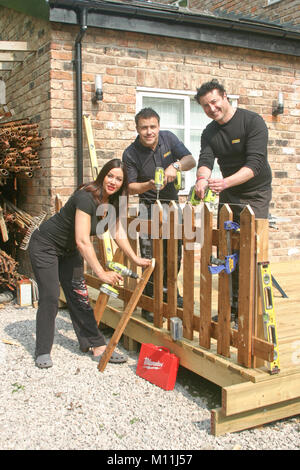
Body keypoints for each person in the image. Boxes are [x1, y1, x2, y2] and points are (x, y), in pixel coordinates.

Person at [29, 158, 151, 368]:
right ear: (103, 175)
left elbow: (118, 231)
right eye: (110, 176)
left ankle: (96, 345)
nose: (113, 181)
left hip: (68, 251)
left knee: (79, 296)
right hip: (45, 246)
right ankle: (42, 351)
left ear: (123, 183)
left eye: (118, 179)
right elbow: (83, 241)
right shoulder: (87, 196)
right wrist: (101, 273)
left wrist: (135, 258)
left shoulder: (114, 201)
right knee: (49, 296)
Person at [194, 79, 272, 323]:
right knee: (228, 250)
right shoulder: (209, 132)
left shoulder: (252, 122)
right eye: (206, 106)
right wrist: (201, 180)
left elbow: (255, 165)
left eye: (214, 102)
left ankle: (250, 312)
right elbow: (205, 160)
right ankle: (232, 310)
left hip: (255, 193)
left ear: (225, 97)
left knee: (250, 251)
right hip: (229, 196)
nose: (211, 109)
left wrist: (225, 182)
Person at [122, 107, 196, 321]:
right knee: (150, 255)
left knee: (174, 252)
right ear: (137, 129)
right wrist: (149, 184)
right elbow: (130, 187)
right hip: (147, 207)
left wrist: (175, 166)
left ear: (158, 126)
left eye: (152, 127)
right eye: (144, 128)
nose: (149, 132)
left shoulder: (169, 138)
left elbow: (190, 160)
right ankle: (149, 300)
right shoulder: (130, 153)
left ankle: (170, 292)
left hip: (172, 206)